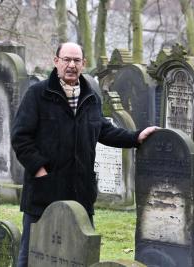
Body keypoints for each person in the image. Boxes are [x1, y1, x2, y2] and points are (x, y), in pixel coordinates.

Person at [11, 42, 157, 267]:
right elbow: (20, 137)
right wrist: (40, 170)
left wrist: (135, 137)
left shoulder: (90, 97)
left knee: (77, 256)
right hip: (44, 192)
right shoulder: (38, 94)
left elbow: (104, 131)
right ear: (56, 61)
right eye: (67, 59)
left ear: (83, 64)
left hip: (80, 192)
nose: (71, 65)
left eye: (76, 61)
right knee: (31, 256)